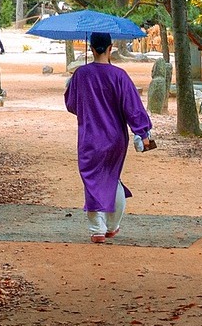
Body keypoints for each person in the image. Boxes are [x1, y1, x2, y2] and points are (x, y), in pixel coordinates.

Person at [64, 32, 156, 243]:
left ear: (91, 48)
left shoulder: (81, 74)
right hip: (115, 138)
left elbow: (72, 105)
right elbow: (132, 108)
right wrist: (142, 131)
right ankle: (112, 225)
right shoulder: (119, 76)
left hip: (89, 137)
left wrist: (77, 87)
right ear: (110, 47)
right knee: (112, 178)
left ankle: (97, 227)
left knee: (92, 179)